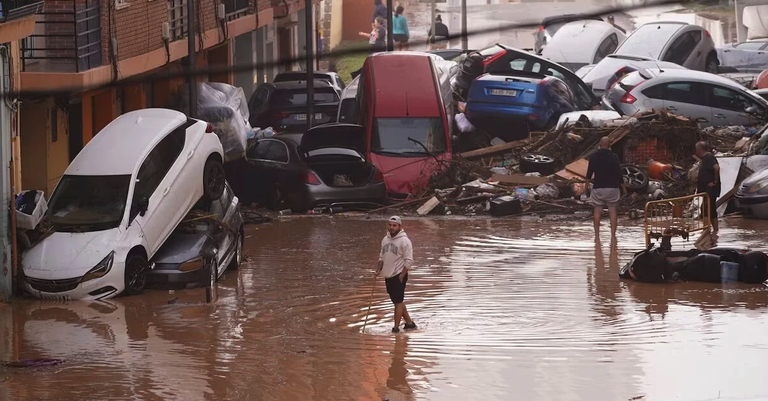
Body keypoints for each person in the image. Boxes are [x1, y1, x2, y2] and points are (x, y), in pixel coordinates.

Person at [375, 216, 416, 333]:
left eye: (394, 225)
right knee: (397, 300)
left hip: (399, 274)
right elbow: (381, 257)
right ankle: (409, 323)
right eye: (390, 225)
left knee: (397, 302)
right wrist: (378, 270)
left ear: (400, 227)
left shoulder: (405, 241)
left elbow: (409, 260)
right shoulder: (385, 240)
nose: (391, 228)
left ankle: (396, 328)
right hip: (388, 275)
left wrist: (402, 276)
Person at [586, 136, 624, 241]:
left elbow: (589, 174)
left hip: (598, 188)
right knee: (612, 211)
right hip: (612, 188)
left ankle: (597, 236)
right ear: (609, 145)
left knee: (597, 211)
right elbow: (618, 174)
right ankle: (613, 235)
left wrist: (586, 187)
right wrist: (623, 187)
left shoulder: (593, 157)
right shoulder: (614, 157)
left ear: (599, 144)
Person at [695, 141, 720, 235]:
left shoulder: (708, 157)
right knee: (711, 210)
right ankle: (715, 231)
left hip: (710, 190)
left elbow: (716, 168)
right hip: (707, 190)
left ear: (699, 149)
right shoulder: (705, 158)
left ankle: (706, 231)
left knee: (706, 210)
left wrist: (715, 182)